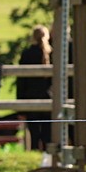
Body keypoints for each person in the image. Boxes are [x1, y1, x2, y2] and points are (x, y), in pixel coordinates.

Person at [17, 24, 52, 156]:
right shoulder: (52, 54)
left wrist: (20, 107)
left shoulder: (26, 54)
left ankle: (34, 157)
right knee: (48, 135)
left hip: (30, 98)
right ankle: (48, 159)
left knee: (34, 134)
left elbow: (21, 81)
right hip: (48, 98)